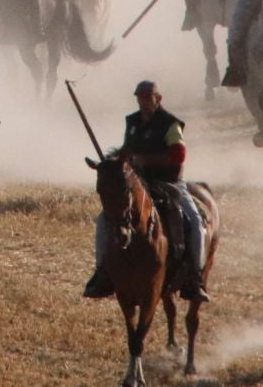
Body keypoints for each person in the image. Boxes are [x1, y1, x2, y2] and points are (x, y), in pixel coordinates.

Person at [82, 80, 209, 302]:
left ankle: (195, 278)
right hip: (138, 183)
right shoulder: (132, 122)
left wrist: (145, 159)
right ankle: (102, 272)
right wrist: (111, 161)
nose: (143, 103)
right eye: (140, 98)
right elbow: (126, 150)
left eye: (147, 98)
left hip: (168, 182)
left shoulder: (170, 124)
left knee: (195, 222)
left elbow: (178, 155)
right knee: (104, 221)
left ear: (157, 99)